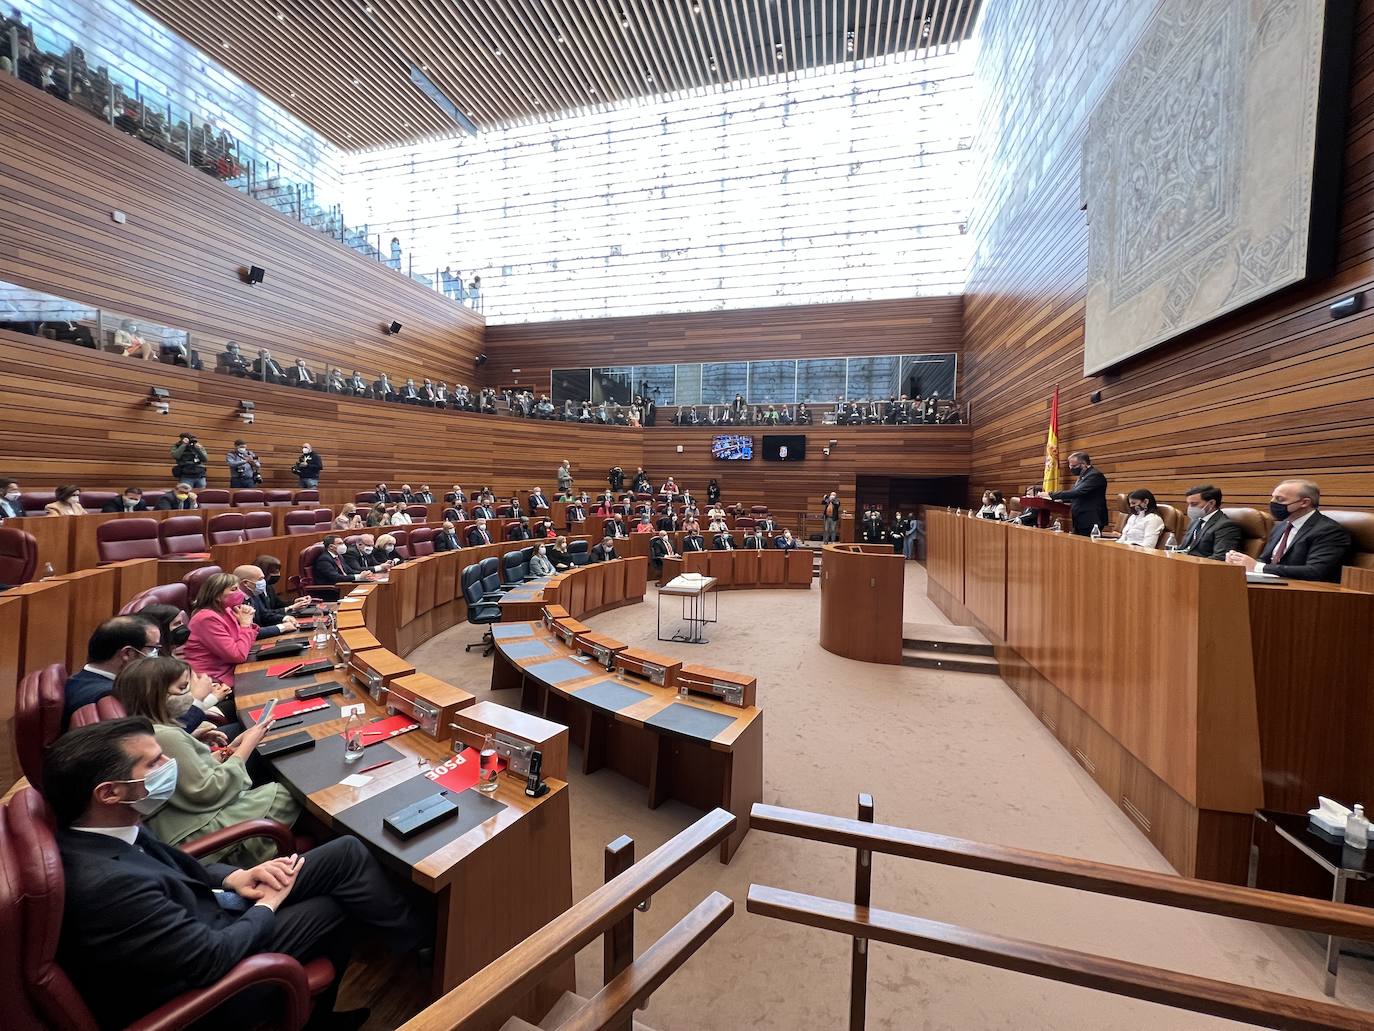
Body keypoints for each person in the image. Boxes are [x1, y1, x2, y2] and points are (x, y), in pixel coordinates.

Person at [40, 717, 426, 1031]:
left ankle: (415, 942)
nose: (169, 767)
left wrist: (233, 877)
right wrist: (268, 906)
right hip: (211, 985)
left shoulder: (111, 825)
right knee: (335, 910)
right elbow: (210, 958)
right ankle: (310, 1016)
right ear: (108, 793)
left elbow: (177, 865)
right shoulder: (109, 886)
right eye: (155, 763)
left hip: (211, 911)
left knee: (345, 854)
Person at [114, 656, 298, 865]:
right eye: (183, 688)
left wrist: (229, 751)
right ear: (155, 696)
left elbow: (188, 776)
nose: (191, 695)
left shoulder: (147, 728)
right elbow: (208, 791)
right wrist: (248, 744)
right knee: (293, 790)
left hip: (188, 820)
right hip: (198, 834)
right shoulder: (165, 736)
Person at [1226, 479, 1351, 583]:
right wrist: (1241, 562)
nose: (1273, 503)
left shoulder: (1329, 531)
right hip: (1273, 584)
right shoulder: (1281, 526)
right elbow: (1265, 559)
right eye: (1273, 498)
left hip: (1305, 593)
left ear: (1304, 502)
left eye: (1280, 500)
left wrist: (1257, 567)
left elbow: (1316, 571)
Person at [63, 616, 162, 727]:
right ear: (127, 653)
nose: (156, 654)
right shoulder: (114, 697)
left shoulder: (77, 681)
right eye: (153, 648)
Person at [180, 573, 260, 688]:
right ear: (217, 595)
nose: (240, 593)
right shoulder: (206, 619)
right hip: (213, 681)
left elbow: (243, 644)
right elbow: (238, 655)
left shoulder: (226, 610)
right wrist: (245, 625)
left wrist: (247, 624)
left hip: (231, 670)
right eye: (234, 589)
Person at [1039, 451, 1108, 536]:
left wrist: (1050, 495)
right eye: (1070, 465)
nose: (1071, 468)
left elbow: (1077, 492)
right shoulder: (1084, 476)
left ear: (1083, 464)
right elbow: (1079, 496)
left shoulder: (1095, 476)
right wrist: (1060, 500)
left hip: (1091, 519)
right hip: (1080, 518)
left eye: (1073, 466)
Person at [1176, 484, 1242, 559]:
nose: (1190, 508)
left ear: (1211, 503)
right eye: (1189, 504)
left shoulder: (1226, 526)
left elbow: (1220, 558)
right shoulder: (1195, 522)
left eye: (1194, 504)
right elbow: (1182, 548)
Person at [234, 565, 300, 638]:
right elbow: (250, 632)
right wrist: (281, 627)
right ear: (246, 583)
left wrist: (284, 618)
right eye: (260, 579)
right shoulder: (234, 602)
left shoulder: (253, 594)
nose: (264, 582)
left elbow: (264, 614)